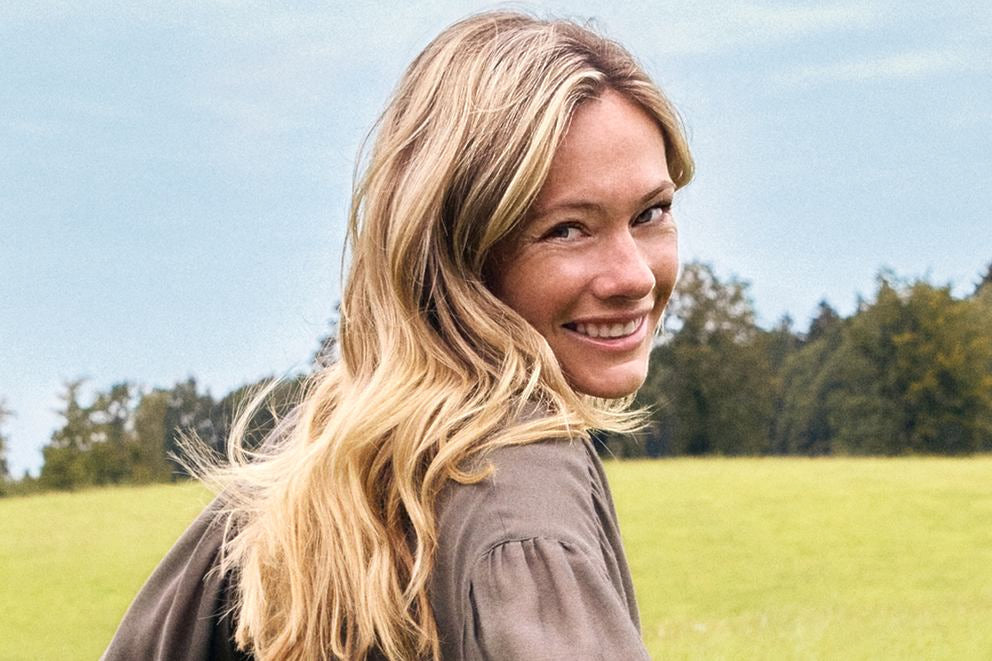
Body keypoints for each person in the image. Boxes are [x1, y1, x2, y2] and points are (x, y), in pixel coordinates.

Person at [103, 10, 693, 661]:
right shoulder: (522, 491)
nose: (633, 275)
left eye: (651, 213)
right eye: (568, 229)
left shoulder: (324, 447)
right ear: (458, 249)